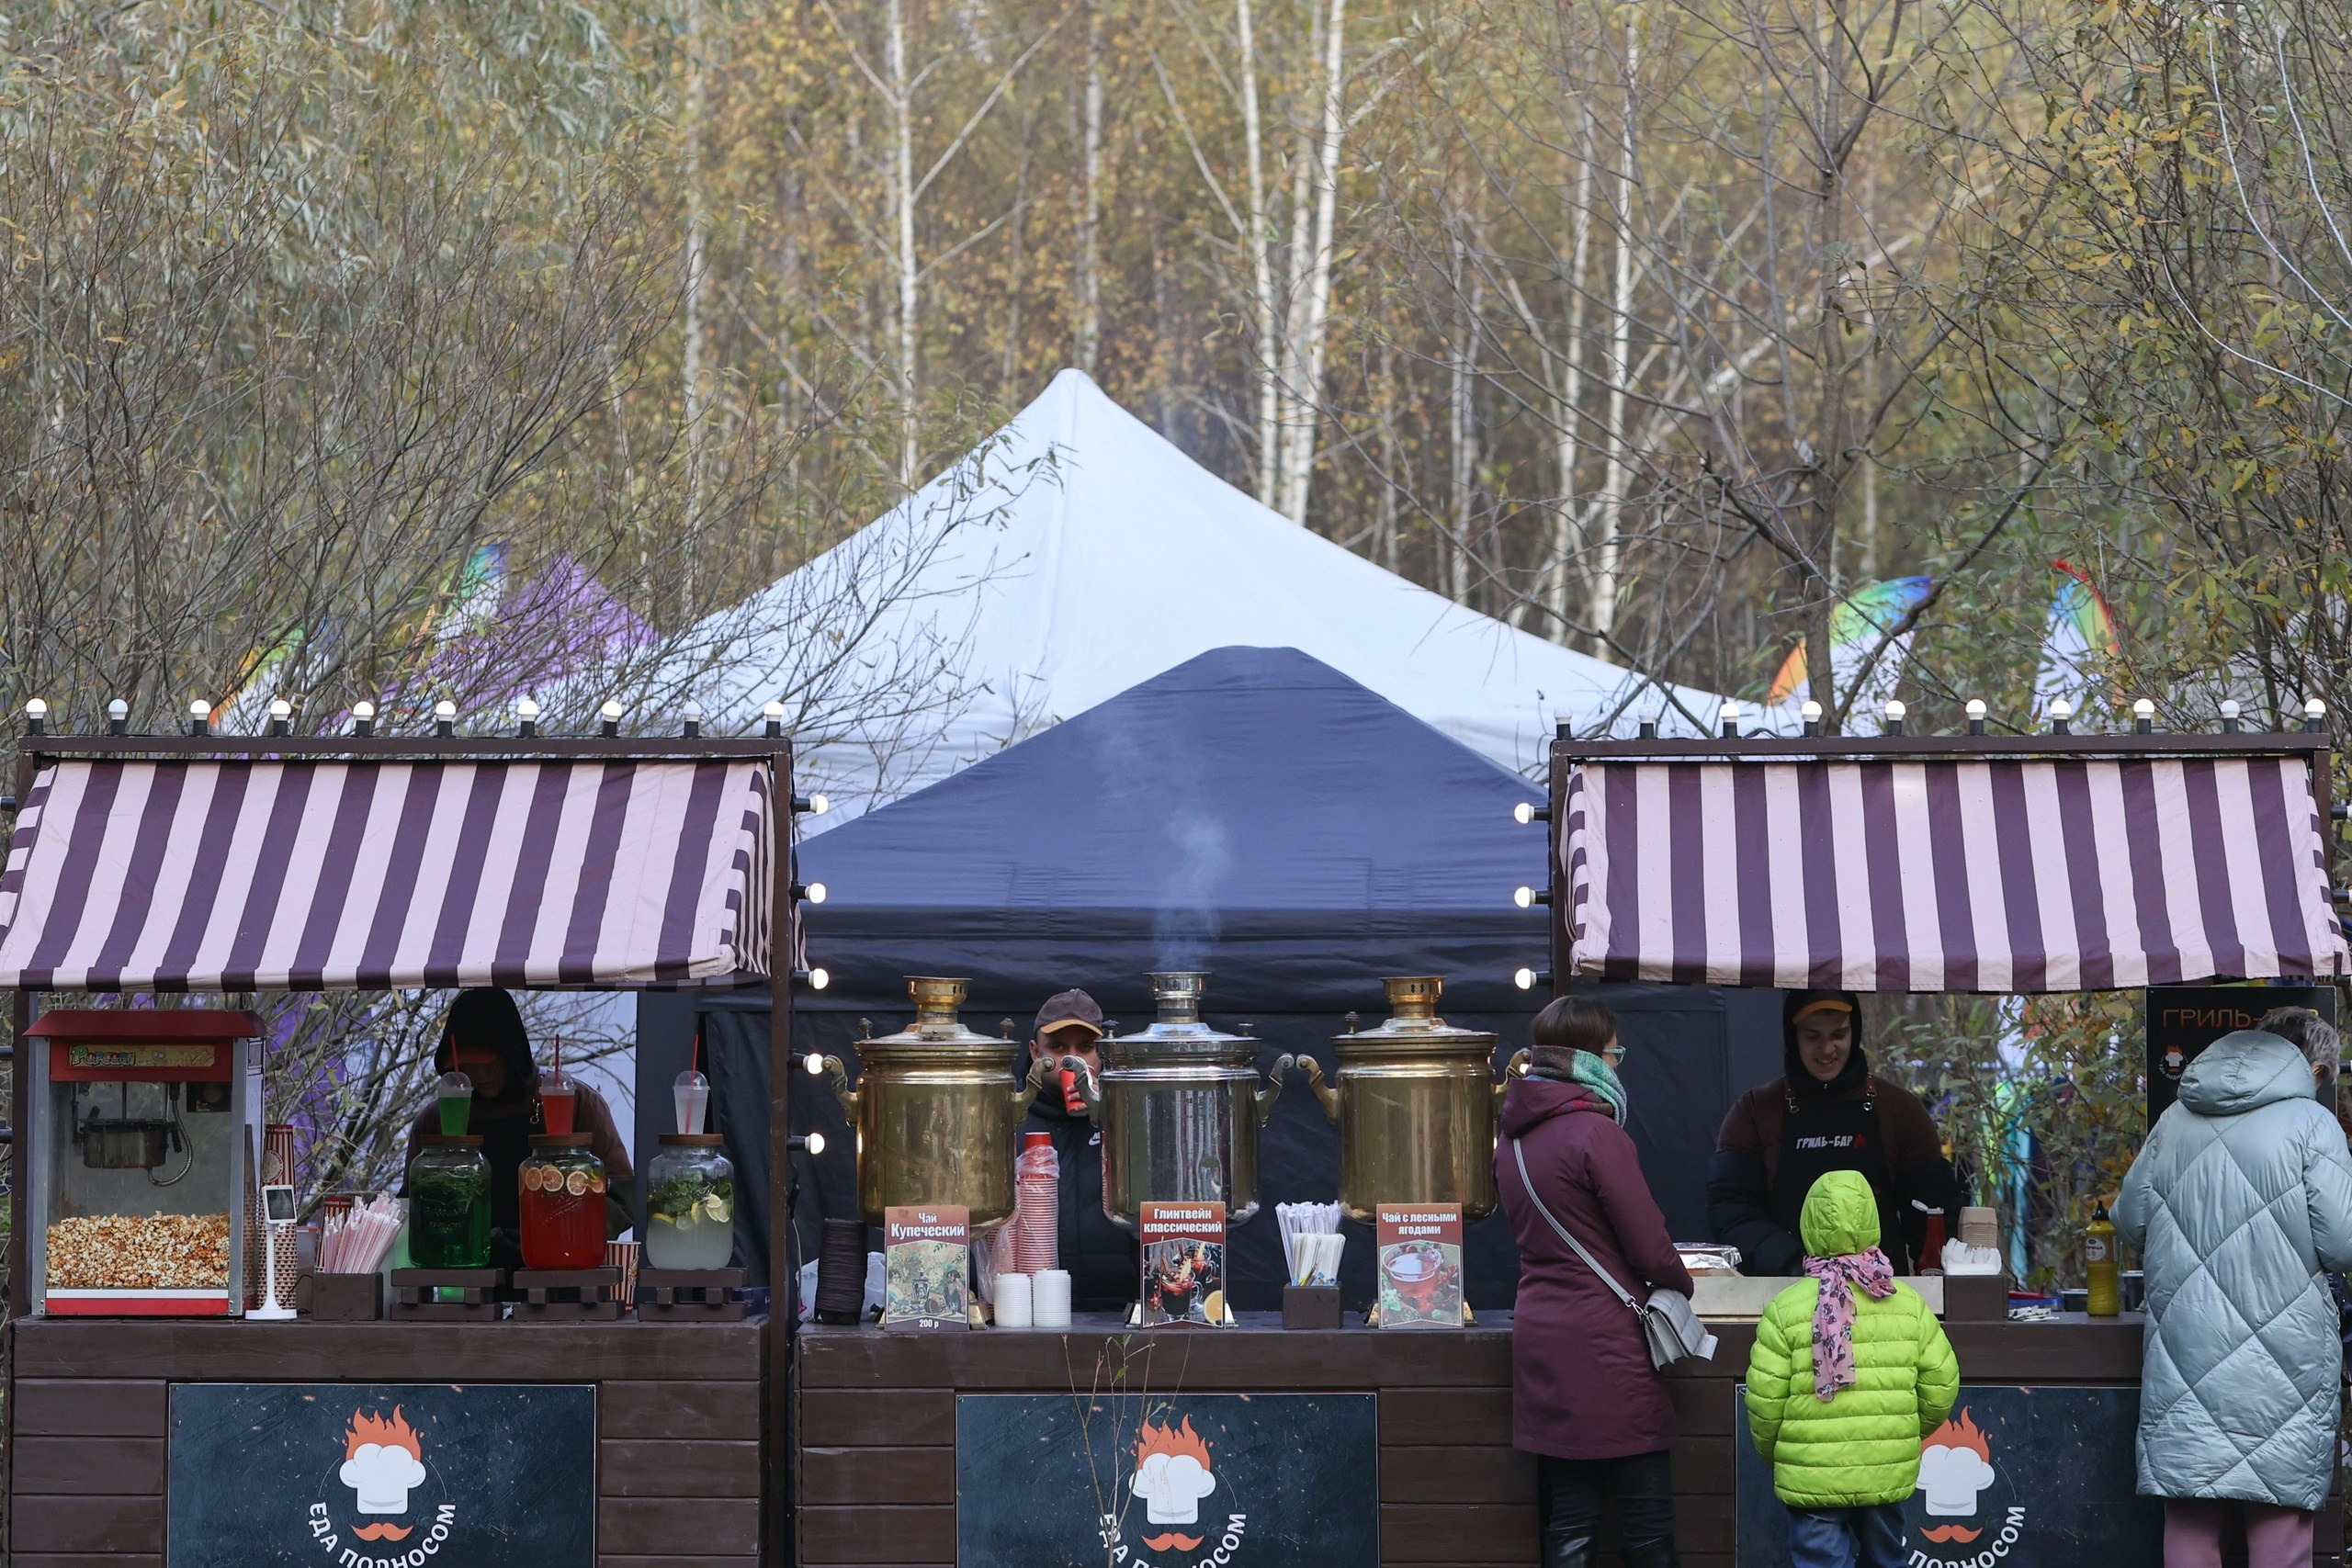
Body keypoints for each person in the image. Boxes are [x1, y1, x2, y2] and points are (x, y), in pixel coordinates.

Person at [2116, 1008, 2352, 1568]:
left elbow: (2128, 1222)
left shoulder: (2175, 1119)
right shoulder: (2312, 1123)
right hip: (2284, 1358)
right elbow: (2344, 1243)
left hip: (2186, 1349)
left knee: (2191, 1520)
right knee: (2278, 1523)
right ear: (2314, 1069)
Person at [1497, 994, 1691, 1568]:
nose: (1616, 1065)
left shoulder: (1511, 1138)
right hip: (1607, 1345)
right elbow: (1649, 1247)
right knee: (1647, 1523)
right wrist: (1681, 1283)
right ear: (1587, 1059)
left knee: (1572, 1519)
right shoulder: (1596, 1133)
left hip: (1541, 1337)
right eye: (1614, 1054)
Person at [1746, 1169, 1960, 1568]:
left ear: (1808, 1224)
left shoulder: (1784, 1309)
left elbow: (1764, 1403)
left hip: (1813, 1474)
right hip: (1885, 1468)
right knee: (1886, 1559)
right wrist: (1902, 1434)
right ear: (1872, 1221)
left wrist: (1784, 1453)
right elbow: (1942, 1385)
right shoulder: (1907, 1304)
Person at [1709, 991, 1963, 1276]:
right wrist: (1795, 1264)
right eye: (1813, 1037)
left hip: (1880, 1292)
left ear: (1855, 1032)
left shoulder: (1899, 1109)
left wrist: (1934, 1284)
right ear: (1793, 1037)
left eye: (1838, 1035)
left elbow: (1935, 1213)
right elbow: (1732, 1213)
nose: (1827, 1048)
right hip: (1781, 1290)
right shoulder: (1754, 1112)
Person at [401, 988, 633, 1269]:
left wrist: (566, 1237)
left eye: (491, 1062)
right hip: (463, 1275)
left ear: (513, 1055)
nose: (482, 1074)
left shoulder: (575, 1103)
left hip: (558, 1272)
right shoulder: (435, 1120)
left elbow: (621, 1195)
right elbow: (411, 1206)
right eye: (469, 1065)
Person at [1017, 987, 1137, 1312]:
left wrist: (1107, 1111)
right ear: (1034, 1051)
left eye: (1085, 1048)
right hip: (1025, 1311)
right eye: (1057, 1048)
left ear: (1103, 1053)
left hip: (1118, 1312)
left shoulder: (1129, 1115)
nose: (1072, 1060)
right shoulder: (1008, 1118)